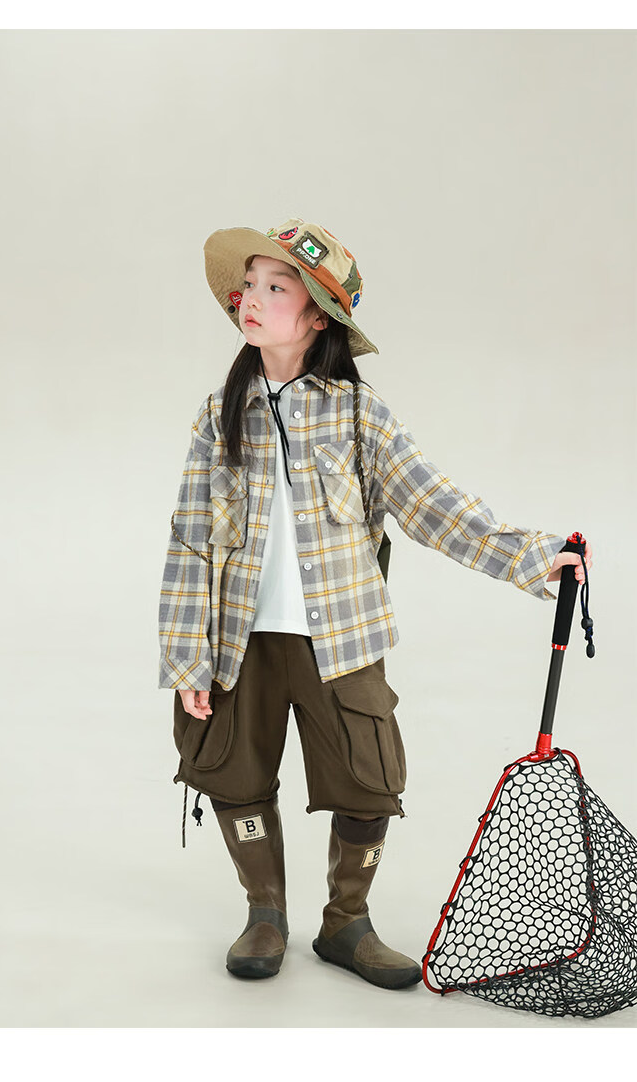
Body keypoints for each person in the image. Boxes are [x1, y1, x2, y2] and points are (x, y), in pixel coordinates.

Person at [160, 221, 591, 991]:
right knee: (232, 770)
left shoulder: (359, 414)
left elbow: (432, 505)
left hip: (342, 639)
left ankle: (346, 922)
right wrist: (187, 655)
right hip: (239, 643)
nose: (250, 298)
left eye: (275, 287)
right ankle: (265, 912)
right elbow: (190, 540)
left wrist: (533, 556)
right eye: (248, 284)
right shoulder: (218, 415)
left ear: (317, 316)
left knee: (369, 777)